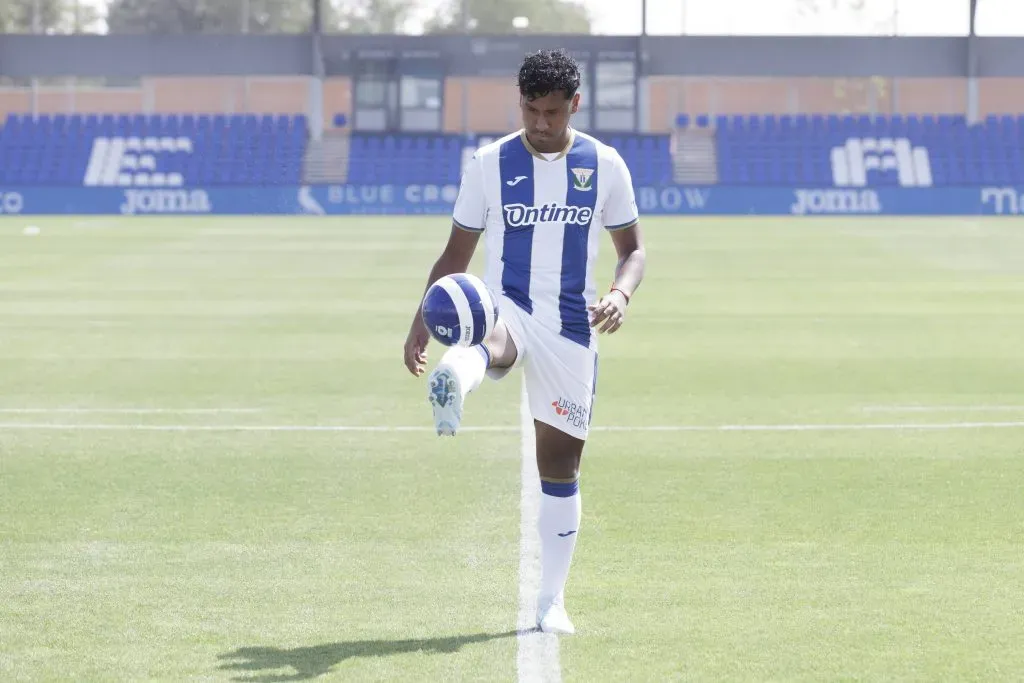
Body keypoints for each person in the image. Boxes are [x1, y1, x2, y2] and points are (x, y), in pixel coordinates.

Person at [402, 49, 646, 635]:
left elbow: (633, 251)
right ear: (520, 104)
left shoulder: (605, 164)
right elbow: (456, 255)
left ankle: (550, 601)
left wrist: (620, 294)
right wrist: (418, 319)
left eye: (553, 113)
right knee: (494, 337)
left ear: (575, 106)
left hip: (570, 323)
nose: (541, 123)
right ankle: (455, 381)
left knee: (560, 463)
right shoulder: (489, 163)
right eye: (532, 110)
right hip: (505, 301)